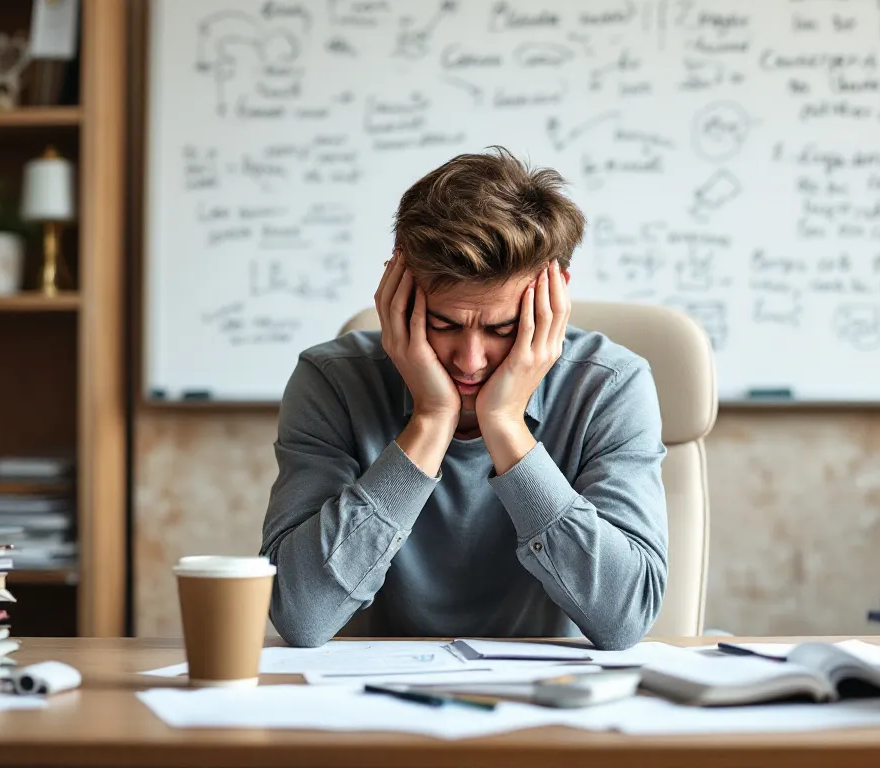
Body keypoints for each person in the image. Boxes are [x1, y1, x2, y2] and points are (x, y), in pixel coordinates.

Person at [260, 147, 668, 651]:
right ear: (397, 292)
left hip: (555, 705)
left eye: (502, 328)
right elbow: (301, 616)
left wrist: (505, 425)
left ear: (555, 297)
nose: (470, 361)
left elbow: (625, 618)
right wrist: (430, 422)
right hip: (381, 705)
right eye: (443, 324)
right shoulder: (332, 381)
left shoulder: (611, 386)